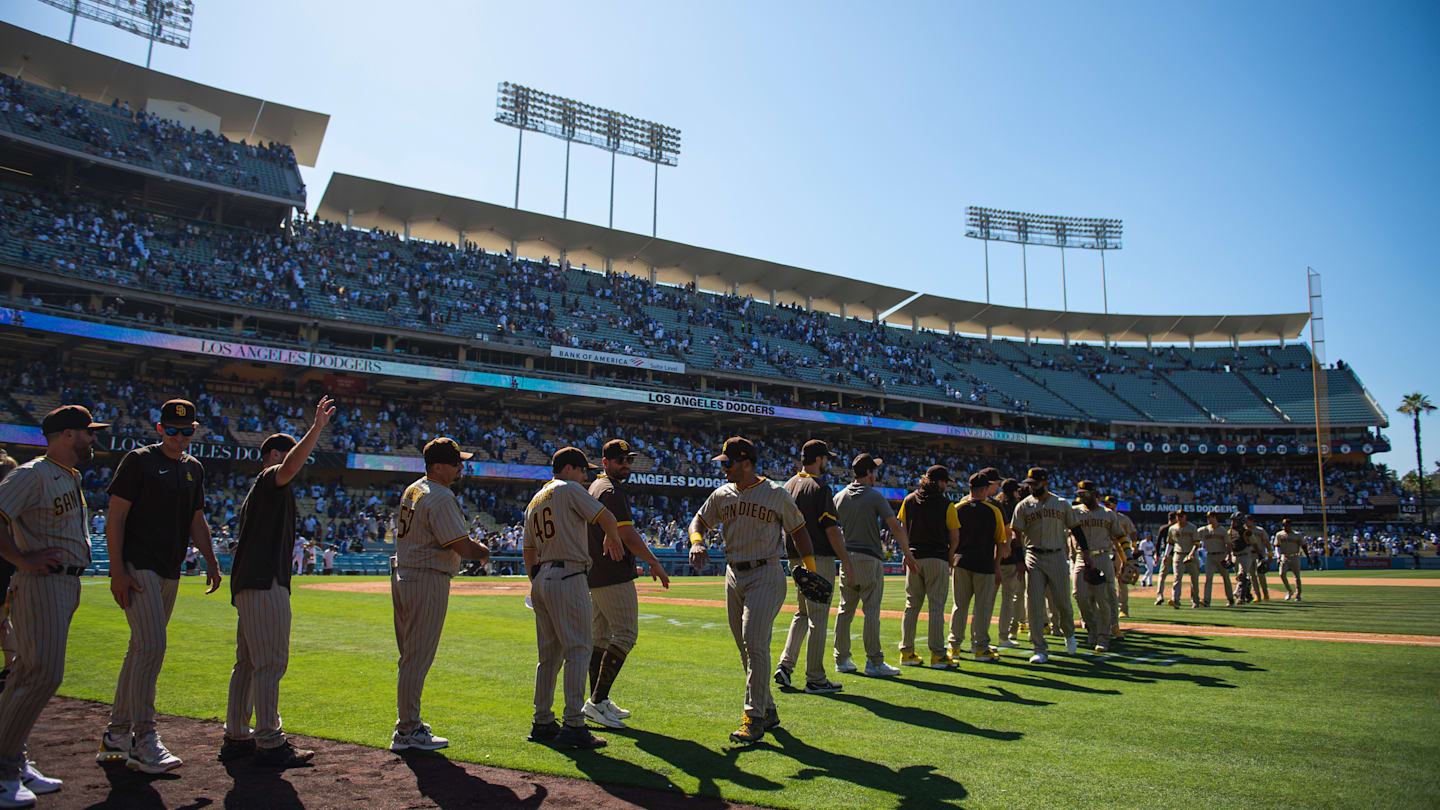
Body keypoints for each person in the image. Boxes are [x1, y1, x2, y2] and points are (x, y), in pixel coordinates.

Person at [100, 398, 221, 774]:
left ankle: (116, 736)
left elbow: (196, 518)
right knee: (152, 645)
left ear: (195, 430)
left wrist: (211, 560)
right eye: (172, 430)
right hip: (139, 565)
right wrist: (117, 571)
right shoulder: (139, 460)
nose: (179, 437)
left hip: (170, 569)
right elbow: (115, 517)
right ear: (159, 429)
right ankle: (144, 736)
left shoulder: (194, 468)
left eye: (186, 431)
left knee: (140, 650)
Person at [219, 397, 333, 768]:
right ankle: (269, 738)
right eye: (281, 455)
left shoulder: (269, 489)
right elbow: (286, 467)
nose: (288, 462)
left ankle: (237, 735)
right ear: (269, 457)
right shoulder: (270, 479)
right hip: (264, 582)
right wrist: (316, 429)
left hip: (251, 581)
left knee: (249, 662)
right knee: (269, 662)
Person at [0, 406, 105, 806]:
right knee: (41, 673)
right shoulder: (32, 474)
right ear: (65, 435)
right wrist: (21, 559)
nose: (93, 439)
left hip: (63, 583)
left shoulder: (68, 475)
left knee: (29, 674)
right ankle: (3, 766)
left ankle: (14, 758)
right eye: (87, 432)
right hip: (42, 581)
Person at [687, 437, 815, 745]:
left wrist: (809, 570)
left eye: (727, 463)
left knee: (754, 642)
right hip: (734, 574)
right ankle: (768, 708)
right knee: (747, 649)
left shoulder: (775, 494)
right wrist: (697, 542)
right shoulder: (722, 494)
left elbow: (799, 531)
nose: (724, 469)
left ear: (746, 463)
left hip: (766, 572)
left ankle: (753, 718)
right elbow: (698, 521)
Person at [390, 437, 492, 752]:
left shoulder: (414, 488)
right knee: (417, 657)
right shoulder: (440, 495)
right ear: (437, 467)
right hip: (426, 578)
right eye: (455, 463)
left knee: (409, 656)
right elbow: (459, 543)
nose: (460, 467)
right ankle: (407, 730)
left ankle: (409, 724)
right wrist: (483, 551)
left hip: (405, 573)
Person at [523, 447, 623, 750]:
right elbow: (605, 515)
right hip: (569, 574)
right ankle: (574, 724)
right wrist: (613, 536)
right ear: (568, 469)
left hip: (543, 577)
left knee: (548, 657)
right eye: (583, 471)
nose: (585, 478)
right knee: (578, 650)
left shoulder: (536, 498)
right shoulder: (567, 489)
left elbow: (528, 549)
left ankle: (542, 721)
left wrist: (538, 580)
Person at [582, 440, 670, 730]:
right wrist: (654, 562)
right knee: (625, 634)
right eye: (620, 460)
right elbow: (629, 535)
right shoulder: (611, 490)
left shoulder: (597, 487)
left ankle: (597, 701)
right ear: (605, 462)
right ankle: (597, 701)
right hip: (612, 572)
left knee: (601, 637)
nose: (626, 465)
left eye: (628, 460)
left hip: (597, 572)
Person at [777, 440, 855, 695]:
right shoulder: (820, 486)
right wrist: (846, 560)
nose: (827, 462)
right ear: (819, 459)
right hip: (817, 557)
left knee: (801, 613)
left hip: (794, 557)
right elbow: (831, 529)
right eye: (825, 458)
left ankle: (785, 666)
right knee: (818, 617)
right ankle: (815, 677)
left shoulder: (788, 485)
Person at [832, 454, 912, 677]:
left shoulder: (838, 497)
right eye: (874, 471)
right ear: (868, 473)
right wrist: (907, 552)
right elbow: (895, 526)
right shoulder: (875, 496)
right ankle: (874, 661)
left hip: (847, 559)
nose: (876, 475)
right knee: (871, 612)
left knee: (844, 610)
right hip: (869, 558)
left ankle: (842, 658)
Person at [1010, 467, 1094, 664]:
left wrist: (1087, 554)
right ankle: (1039, 647)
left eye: (1035, 484)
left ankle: (1069, 634)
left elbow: (1076, 530)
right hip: (1033, 555)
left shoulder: (1062, 504)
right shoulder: (1023, 505)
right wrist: (1019, 561)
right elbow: (1016, 535)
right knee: (1034, 603)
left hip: (1056, 555)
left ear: (1045, 482)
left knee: (1063, 601)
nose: (1031, 487)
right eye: (1029, 484)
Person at [897, 465, 961, 670]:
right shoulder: (946, 504)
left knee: (911, 606)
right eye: (944, 482)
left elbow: (902, 530)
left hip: (915, 557)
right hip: (937, 558)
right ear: (940, 482)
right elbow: (954, 535)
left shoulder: (909, 500)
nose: (945, 486)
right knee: (936, 607)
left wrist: (907, 554)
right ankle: (937, 654)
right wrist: (950, 557)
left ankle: (906, 652)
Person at [947, 472, 1007, 662]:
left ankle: (954, 647)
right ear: (983, 490)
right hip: (984, 563)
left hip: (961, 562)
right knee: (982, 607)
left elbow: (951, 539)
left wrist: (951, 561)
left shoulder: (957, 508)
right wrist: (997, 566)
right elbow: (1001, 542)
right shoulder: (993, 510)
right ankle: (980, 647)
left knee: (959, 606)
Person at [1069, 482, 1124, 653]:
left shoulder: (1108, 514)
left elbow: (1119, 536)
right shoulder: (1075, 512)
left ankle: (1102, 637)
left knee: (1103, 598)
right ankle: (1092, 628)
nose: (1082, 496)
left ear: (1094, 493)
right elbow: (1068, 534)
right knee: (1079, 594)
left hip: (1102, 556)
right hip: (1081, 557)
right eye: (1080, 493)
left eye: (1085, 493)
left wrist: (1126, 558)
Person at [993, 478, 1026, 648]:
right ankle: (1005, 635)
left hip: (991, 558)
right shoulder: (1016, 507)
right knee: (1010, 598)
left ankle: (979, 637)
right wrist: (1020, 559)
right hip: (1010, 558)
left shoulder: (994, 505)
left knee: (987, 600)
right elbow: (1016, 537)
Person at [1102, 494, 1136, 624]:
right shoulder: (1102, 516)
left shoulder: (1123, 518)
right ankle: (1108, 609)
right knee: (1105, 582)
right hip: (1106, 551)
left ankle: (1124, 609)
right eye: (1105, 503)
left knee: (1122, 580)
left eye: (1109, 503)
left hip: (1119, 551)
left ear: (1115, 504)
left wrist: (1133, 548)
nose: (1106, 505)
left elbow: (1133, 533)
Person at [1198, 511, 1235, 607]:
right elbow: (1194, 535)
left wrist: (1229, 556)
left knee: (1226, 578)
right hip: (1210, 556)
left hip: (1221, 555)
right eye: (1207, 517)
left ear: (1215, 518)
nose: (1208, 519)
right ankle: (1206, 601)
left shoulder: (1222, 530)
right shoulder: (1204, 530)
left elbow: (1228, 544)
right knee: (1208, 579)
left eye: (1209, 517)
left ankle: (1230, 599)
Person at [1167, 510, 1201, 609]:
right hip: (1178, 554)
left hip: (1190, 554)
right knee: (1177, 577)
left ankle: (1195, 601)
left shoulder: (1192, 527)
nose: (1179, 518)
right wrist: (1166, 555)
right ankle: (1175, 600)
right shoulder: (1172, 528)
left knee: (1194, 578)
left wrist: (1192, 554)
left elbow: (1196, 543)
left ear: (1185, 516)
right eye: (1178, 516)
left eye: (1181, 516)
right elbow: (1170, 543)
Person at [1275, 519, 1306, 600]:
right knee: (1281, 574)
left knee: (1296, 576)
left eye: (1286, 525)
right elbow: (1277, 547)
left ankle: (1298, 594)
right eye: (1284, 525)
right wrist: (1278, 557)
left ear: (1290, 526)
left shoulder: (1297, 535)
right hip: (1284, 556)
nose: (1285, 527)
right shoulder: (1279, 534)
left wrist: (1308, 557)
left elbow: (1303, 546)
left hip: (1295, 556)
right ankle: (1289, 591)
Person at [1244, 516, 1273, 601]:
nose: (1246, 523)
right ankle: (1257, 595)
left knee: (1260, 575)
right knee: (1252, 576)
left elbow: (1267, 542)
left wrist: (1270, 554)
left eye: (1247, 521)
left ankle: (1265, 594)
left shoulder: (1260, 530)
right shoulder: (1244, 531)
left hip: (1259, 554)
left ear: (1252, 521)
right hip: (1249, 554)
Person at [1153, 511, 1177, 605]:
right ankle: (1174, 597)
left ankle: (1160, 596)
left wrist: (1158, 555)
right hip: (1175, 554)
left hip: (1167, 554)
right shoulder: (1176, 528)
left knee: (1162, 576)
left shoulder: (1164, 528)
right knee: (1177, 577)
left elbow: (1158, 543)